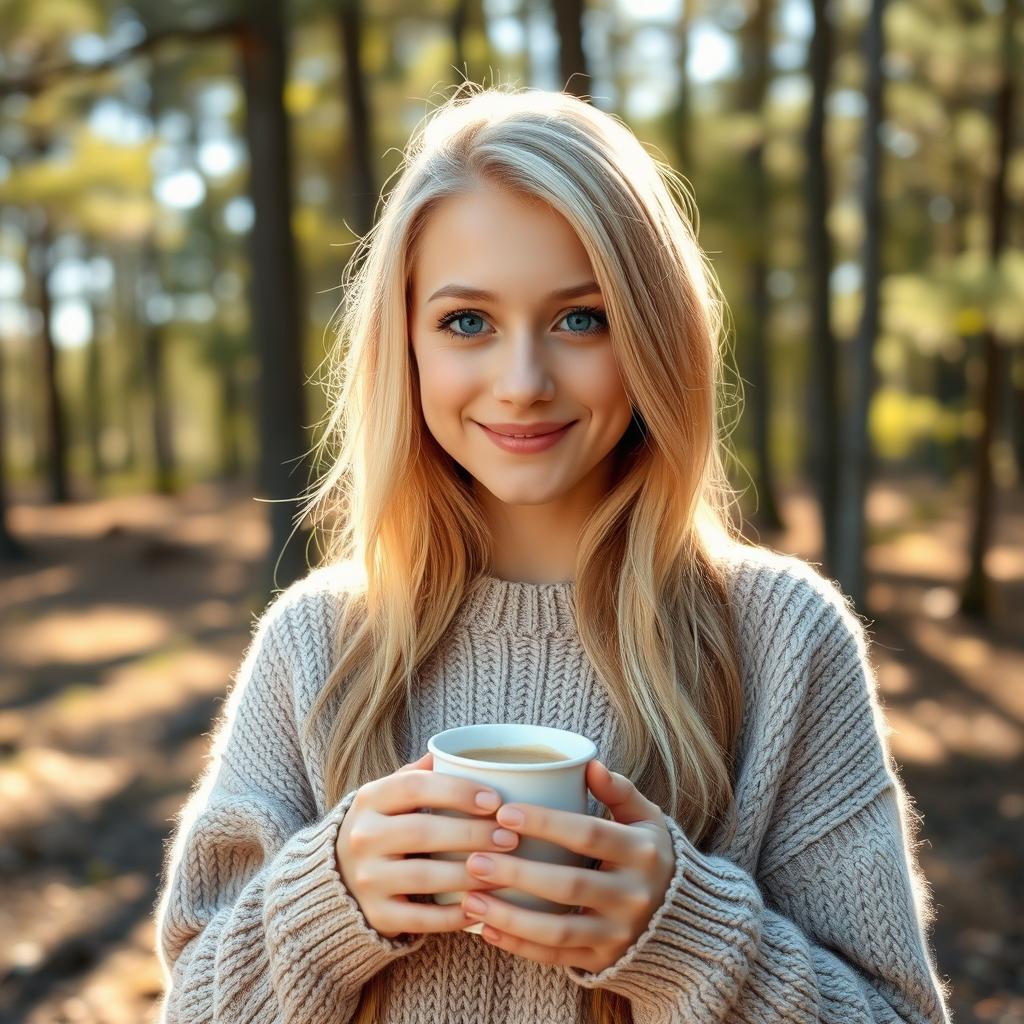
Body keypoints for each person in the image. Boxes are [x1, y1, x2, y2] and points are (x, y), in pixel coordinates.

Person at [153, 83, 952, 1024]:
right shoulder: (317, 644)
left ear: (654, 334)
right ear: (403, 346)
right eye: (466, 323)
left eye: (582, 318)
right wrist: (323, 904)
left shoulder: (783, 639)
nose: (523, 383)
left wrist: (688, 936)